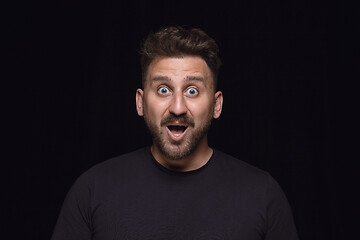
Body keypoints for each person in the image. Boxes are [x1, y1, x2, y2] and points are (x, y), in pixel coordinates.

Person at [51, 26, 299, 240]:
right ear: (140, 102)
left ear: (216, 105)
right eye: (163, 90)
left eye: (192, 90)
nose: (178, 107)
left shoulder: (263, 194)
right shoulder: (93, 190)